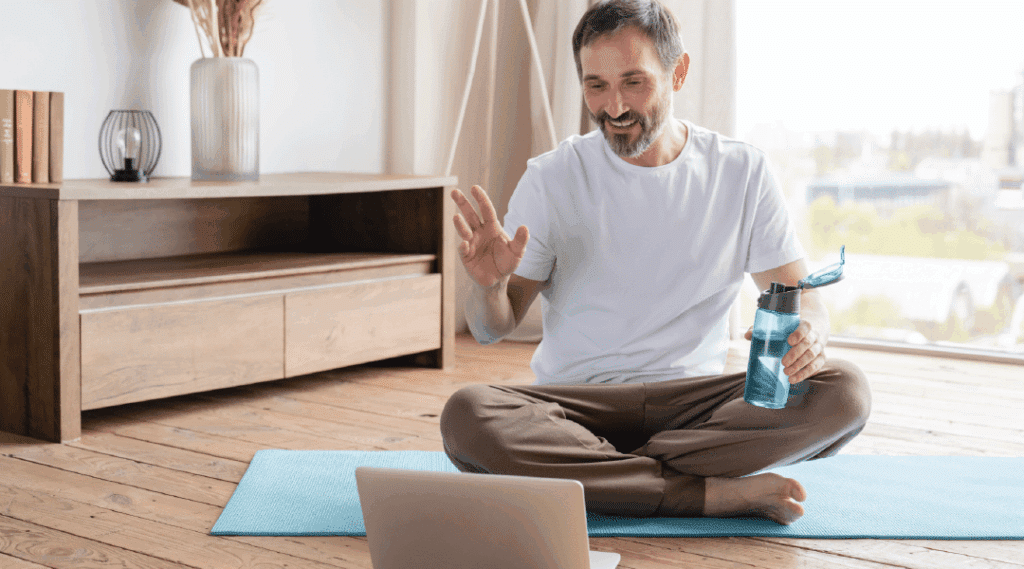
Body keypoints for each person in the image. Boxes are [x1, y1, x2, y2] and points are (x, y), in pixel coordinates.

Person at [440, 0, 870, 525]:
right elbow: (490, 330)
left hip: (698, 409)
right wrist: (489, 287)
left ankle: (609, 478)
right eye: (595, 85)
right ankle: (710, 494)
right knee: (468, 415)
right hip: (575, 405)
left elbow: (804, 299)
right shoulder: (552, 178)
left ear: (678, 72)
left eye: (634, 82)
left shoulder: (740, 171)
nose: (613, 106)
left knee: (844, 392)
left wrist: (814, 333)